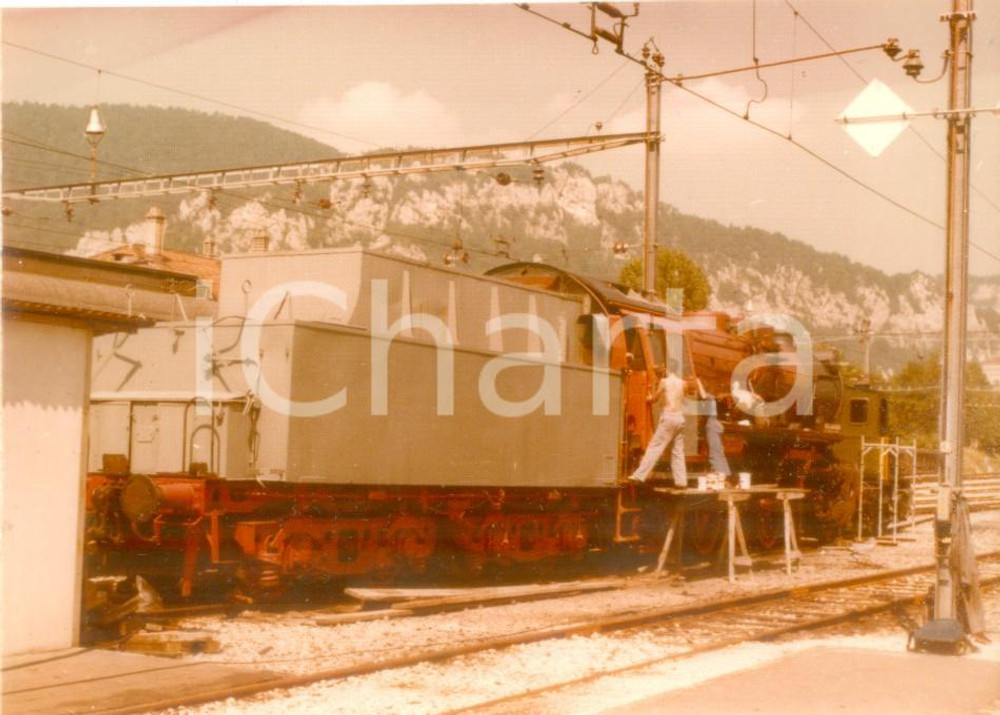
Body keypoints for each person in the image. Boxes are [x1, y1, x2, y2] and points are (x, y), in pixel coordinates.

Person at [628, 363, 688, 487]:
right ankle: (681, 481)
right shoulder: (683, 383)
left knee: (655, 447)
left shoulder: (664, 382)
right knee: (678, 451)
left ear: (667, 370)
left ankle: (639, 475)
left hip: (669, 417)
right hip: (680, 418)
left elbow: (654, 399)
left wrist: (649, 397)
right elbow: (684, 399)